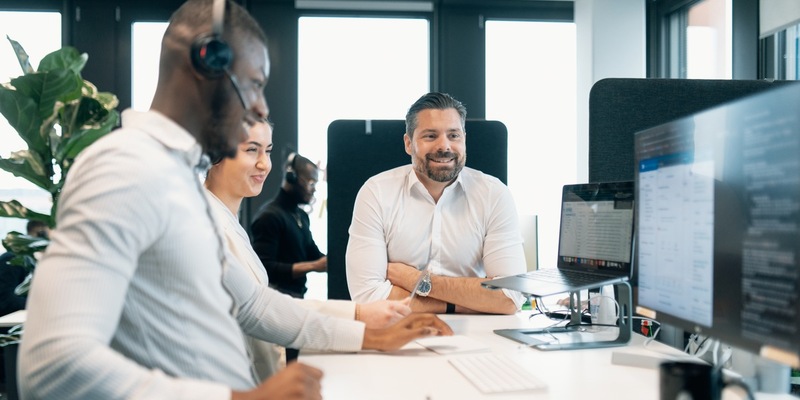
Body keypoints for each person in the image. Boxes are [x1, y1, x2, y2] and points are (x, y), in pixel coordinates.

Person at [17, 1, 451, 399]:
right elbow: (52, 364)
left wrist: (369, 335)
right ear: (207, 62)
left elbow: (252, 303)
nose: (261, 107)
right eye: (255, 84)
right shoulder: (125, 167)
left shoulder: (179, 180)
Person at [204, 119, 412, 379]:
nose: (264, 163)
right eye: (251, 150)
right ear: (213, 154)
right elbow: (260, 310)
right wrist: (363, 328)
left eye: (267, 151)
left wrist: (359, 314)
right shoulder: (208, 229)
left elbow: (263, 304)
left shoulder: (228, 221)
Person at [346, 92, 526, 315]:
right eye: (431, 136)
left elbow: (510, 296)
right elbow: (368, 295)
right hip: (398, 333)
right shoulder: (376, 193)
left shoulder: (494, 194)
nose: (445, 146)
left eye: (453, 135)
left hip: (480, 339)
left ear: (464, 140)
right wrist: (465, 302)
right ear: (408, 143)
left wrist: (416, 281)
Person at [250, 152, 325, 299]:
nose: (314, 189)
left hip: (296, 298)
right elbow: (265, 268)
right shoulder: (269, 217)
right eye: (311, 183)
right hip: (276, 302)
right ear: (292, 178)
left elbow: (313, 253)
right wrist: (314, 266)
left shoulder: (301, 216)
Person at [0, 220, 49, 317]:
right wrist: (43, 305)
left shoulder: (37, 262)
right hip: (9, 327)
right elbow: (5, 301)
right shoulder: (13, 259)